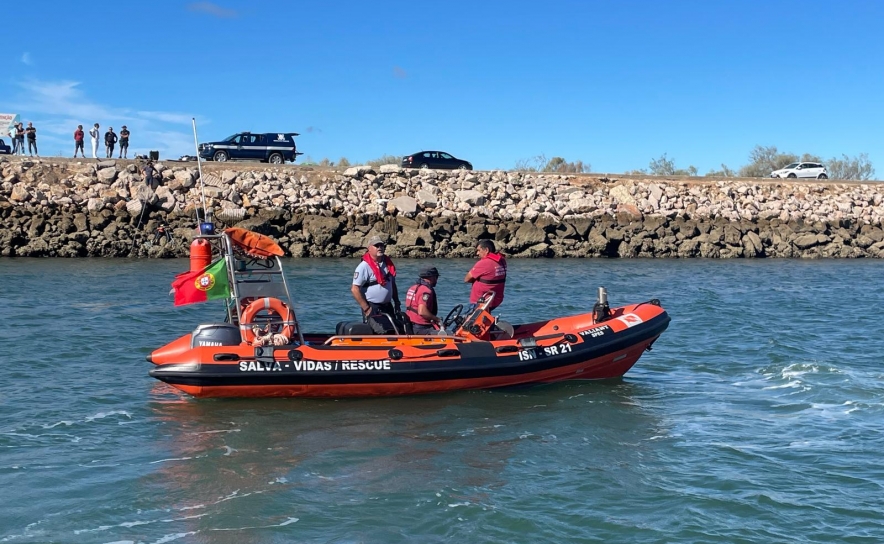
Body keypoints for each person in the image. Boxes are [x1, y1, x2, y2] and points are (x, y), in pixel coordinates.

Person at [351, 235, 400, 319]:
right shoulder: (363, 267)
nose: (379, 248)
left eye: (381, 245)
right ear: (369, 248)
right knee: (379, 331)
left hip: (388, 306)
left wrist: (397, 302)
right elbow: (354, 289)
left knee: (394, 330)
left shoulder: (388, 264)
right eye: (376, 246)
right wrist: (366, 308)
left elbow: (392, 284)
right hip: (372, 307)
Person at [464, 239, 507, 311]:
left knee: (465, 317)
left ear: (486, 250)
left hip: (481, 301)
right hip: (495, 299)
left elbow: (466, 279)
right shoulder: (502, 261)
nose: (477, 253)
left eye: (479, 250)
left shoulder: (484, 263)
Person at [404, 266, 442, 335]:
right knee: (445, 333)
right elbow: (422, 312)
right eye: (436, 277)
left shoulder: (413, 288)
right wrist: (437, 319)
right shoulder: (426, 291)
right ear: (432, 277)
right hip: (421, 327)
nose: (437, 280)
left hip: (410, 324)